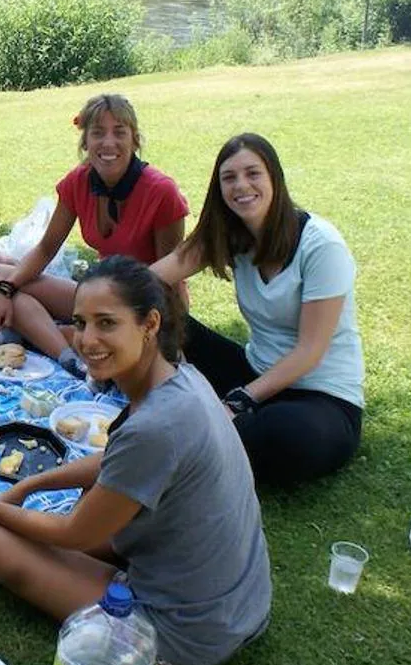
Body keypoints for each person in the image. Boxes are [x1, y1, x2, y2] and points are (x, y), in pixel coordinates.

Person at [0, 256, 271, 665]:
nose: (87, 340)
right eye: (80, 323)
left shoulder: (155, 427)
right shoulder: (186, 378)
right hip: (239, 604)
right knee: (61, 512)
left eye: (107, 323)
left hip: (181, 632)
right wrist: (28, 487)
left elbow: (73, 532)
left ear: (150, 324)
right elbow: (115, 459)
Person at [151, 133, 364, 486]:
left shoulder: (321, 245)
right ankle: (201, 426)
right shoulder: (232, 235)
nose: (241, 186)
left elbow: (310, 352)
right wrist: (109, 299)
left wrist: (241, 400)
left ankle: (200, 434)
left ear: (274, 179)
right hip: (254, 371)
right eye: (229, 177)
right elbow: (160, 273)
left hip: (321, 399)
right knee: (159, 316)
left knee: (284, 436)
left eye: (253, 173)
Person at [0, 94, 189, 378]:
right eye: (98, 133)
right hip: (97, 292)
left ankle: (41, 334)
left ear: (134, 140)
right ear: (85, 142)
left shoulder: (162, 192)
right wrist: (4, 290)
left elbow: (169, 281)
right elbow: (46, 248)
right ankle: (68, 357)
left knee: (60, 323)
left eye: (119, 133)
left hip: (145, 308)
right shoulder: (79, 181)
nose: (108, 143)